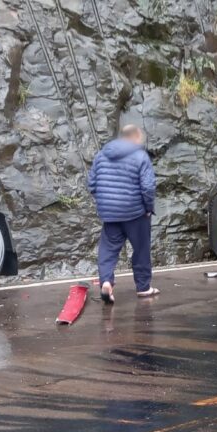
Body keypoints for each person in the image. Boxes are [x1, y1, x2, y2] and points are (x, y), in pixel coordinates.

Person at [88, 124, 159, 304]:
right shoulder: (140, 156)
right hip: (135, 212)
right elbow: (148, 187)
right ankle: (143, 287)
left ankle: (106, 282)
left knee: (108, 250)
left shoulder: (101, 155)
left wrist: (106, 203)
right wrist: (148, 208)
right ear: (135, 137)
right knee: (141, 249)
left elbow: (92, 185)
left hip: (110, 213)